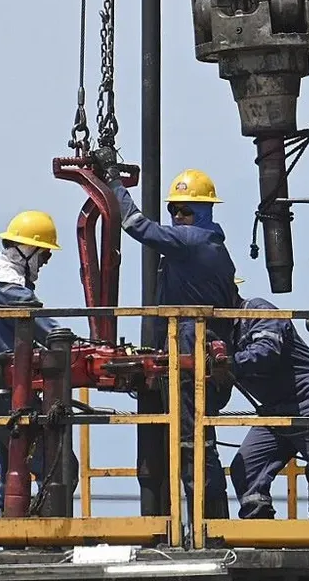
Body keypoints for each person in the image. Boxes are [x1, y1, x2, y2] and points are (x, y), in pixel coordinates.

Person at [92, 148, 239, 520]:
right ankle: (207, 524)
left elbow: (135, 225)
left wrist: (112, 181)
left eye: (185, 210)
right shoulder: (211, 248)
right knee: (191, 441)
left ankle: (209, 528)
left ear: (203, 213)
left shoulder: (192, 242)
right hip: (189, 348)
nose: (177, 217)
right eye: (174, 210)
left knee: (191, 443)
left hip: (192, 349)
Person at [0, 210, 79, 515]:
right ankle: (41, 529)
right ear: (28, 251)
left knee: (11, 464)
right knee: (59, 465)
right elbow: (51, 335)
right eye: (44, 257)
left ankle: (13, 530)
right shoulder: (12, 294)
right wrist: (81, 344)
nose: (43, 264)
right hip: (11, 396)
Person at [227, 294, 309, 520]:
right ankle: (261, 532)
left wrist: (228, 364)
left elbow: (266, 352)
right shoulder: (220, 330)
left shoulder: (257, 311)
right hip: (276, 409)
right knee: (246, 468)